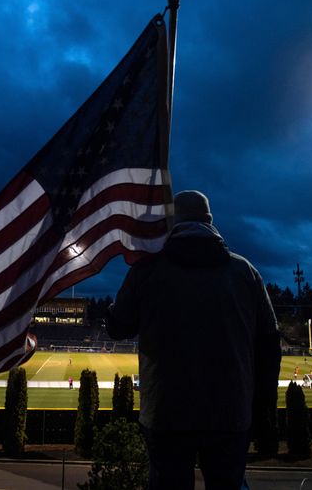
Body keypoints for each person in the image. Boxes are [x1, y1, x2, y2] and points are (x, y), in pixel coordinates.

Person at [108, 190, 281, 490]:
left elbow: (118, 328)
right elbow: (269, 346)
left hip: (166, 414)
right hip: (231, 415)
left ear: (173, 222)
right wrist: (262, 410)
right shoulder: (245, 272)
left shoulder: (148, 269)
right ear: (209, 221)